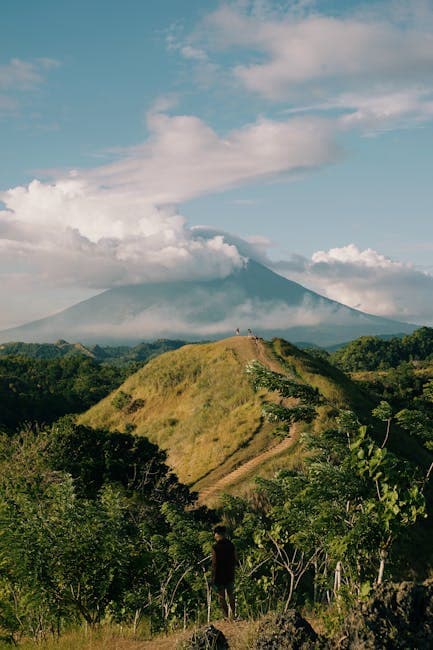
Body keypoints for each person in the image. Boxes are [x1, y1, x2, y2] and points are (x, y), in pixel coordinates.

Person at [211, 525, 237, 619]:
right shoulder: (231, 545)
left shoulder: (215, 547)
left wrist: (212, 578)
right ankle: (233, 614)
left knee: (221, 597)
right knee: (231, 594)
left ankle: (226, 616)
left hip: (219, 575)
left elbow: (214, 563)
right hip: (229, 573)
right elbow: (235, 559)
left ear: (217, 534)